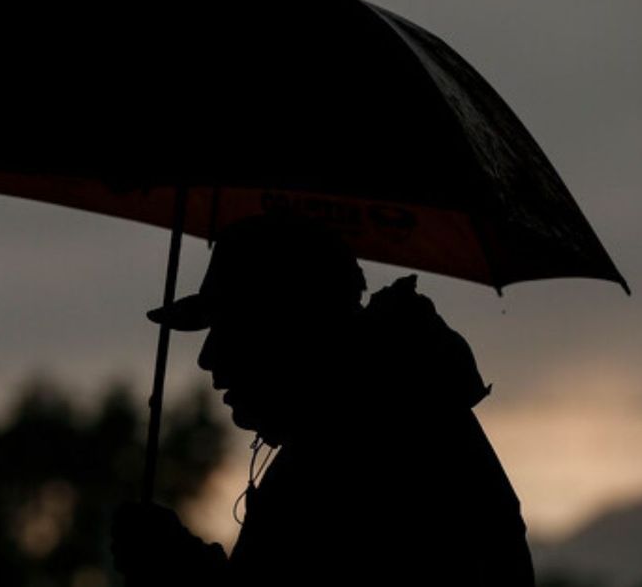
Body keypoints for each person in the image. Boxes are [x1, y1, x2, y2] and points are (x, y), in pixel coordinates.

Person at [111, 213, 535, 586]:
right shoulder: (383, 420)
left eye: (231, 328)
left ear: (292, 328)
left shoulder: (361, 448)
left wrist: (178, 570)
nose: (207, 358)